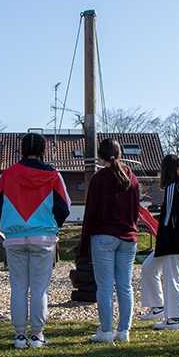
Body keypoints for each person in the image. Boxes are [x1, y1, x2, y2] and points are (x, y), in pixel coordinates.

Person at [0, 132, 70, 348]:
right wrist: (52, 228)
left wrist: (8, 228)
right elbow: (64, 208)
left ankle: (19, 336)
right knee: (39, 288)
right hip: (43, 238)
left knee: (18, 287)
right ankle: (36, 335)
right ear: (44, 151)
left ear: (21, 150)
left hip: (14, 238)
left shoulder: (6, 175)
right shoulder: (54, 176)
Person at [78, 138, 140, 343]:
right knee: (125, 286)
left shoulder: (99, 178)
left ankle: (105, 331)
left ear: (100, 156)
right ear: (120, 153)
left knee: (105, 286)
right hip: (128, 237)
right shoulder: (132, 178)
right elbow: (136, 211)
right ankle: (123, 331)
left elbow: (91, 213)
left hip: (104, 236)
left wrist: (84, 243)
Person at [140, 154, 179, 330]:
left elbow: (168, 217)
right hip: (173, 241)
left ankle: (174, 319)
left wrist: (162, 238)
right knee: (148, 268)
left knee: (171, 278)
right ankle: (158, 307)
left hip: (172, 241)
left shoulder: (173, 188)